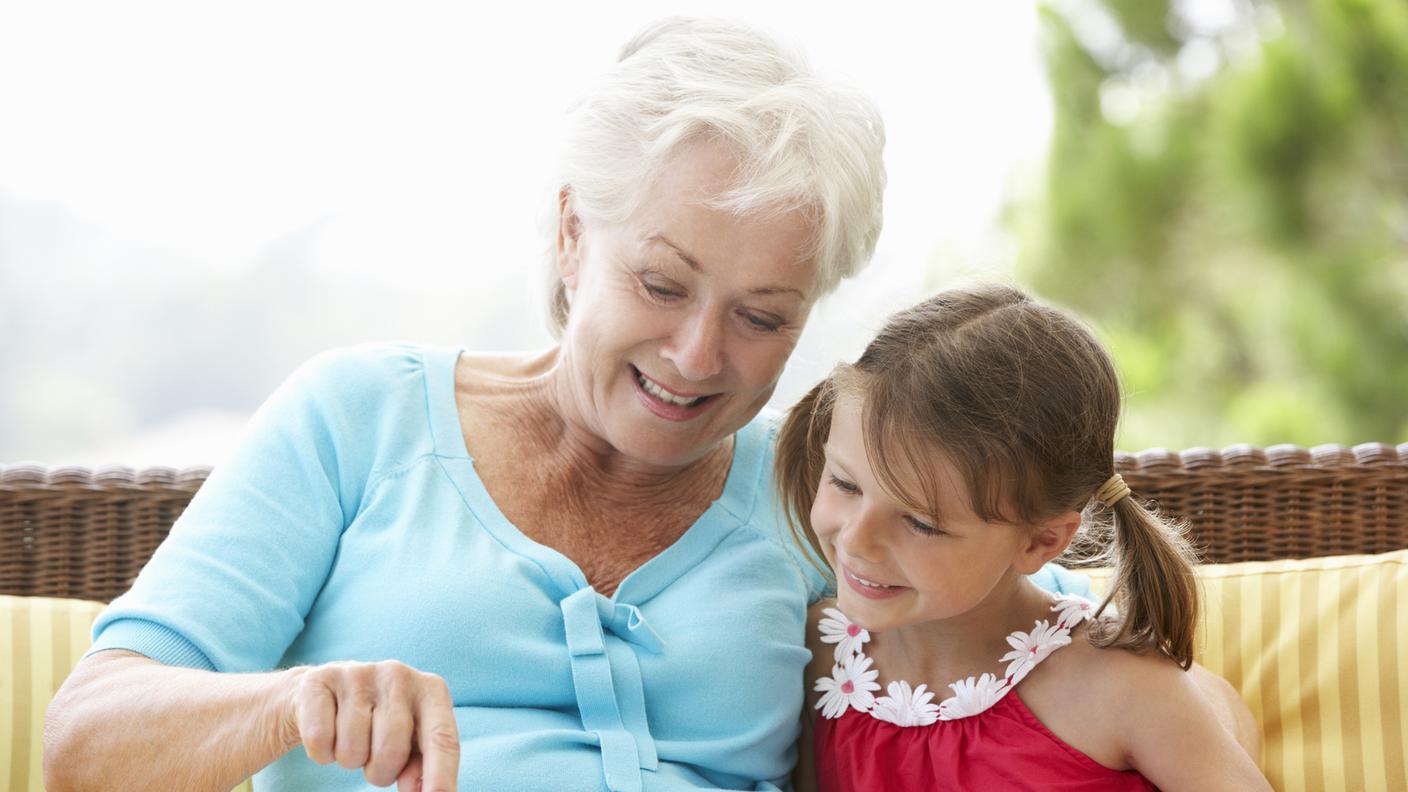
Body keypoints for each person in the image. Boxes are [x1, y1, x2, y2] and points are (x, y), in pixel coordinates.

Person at [776, 284, 1270, 791]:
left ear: (1040, 543)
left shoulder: (1122, 688)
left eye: (921, 523)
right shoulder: (819, 652)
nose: (857, 541)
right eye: (844, 483)